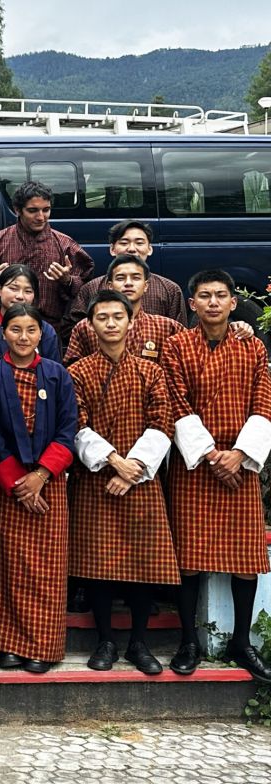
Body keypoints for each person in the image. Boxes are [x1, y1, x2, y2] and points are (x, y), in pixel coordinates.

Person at [163, 270, 271, 682]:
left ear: (232, 303)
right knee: (189, 559)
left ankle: (241, 643)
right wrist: (210, 454)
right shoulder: (176, 347)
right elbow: (176, 401)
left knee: (245, 560)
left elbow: (264, 401)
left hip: (241, 462)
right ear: (191, 303)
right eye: (204, 295)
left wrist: (240, 454)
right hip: (196, 464)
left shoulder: (252, 348)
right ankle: (189, 640)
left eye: (220, 296)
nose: (212, 302)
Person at [68, 291, 180, 675]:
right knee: (98, 564)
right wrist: (114, 461)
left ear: (131, 322)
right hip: (96, 477)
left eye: (118, 316)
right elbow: (75, 424)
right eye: (103, 317)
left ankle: (139, 643)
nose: (111, 323)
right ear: (91, 324)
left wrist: (134, 466)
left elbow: (162, 421)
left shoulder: (152, 371)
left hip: (142, 478)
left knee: (143, 562)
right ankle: (104, 641)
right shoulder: (78, 372)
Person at [0, 303, 77, 674]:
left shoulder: (56, 375)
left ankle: (42, 645)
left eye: (31, 330)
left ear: (42, 335)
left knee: (46, 569)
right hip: (5, 484)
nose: (23, 337)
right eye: (15, 330)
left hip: (48, 484)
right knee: (6, 566)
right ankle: (7, 644)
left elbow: (68, 431)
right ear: (4, 333)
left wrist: (40, 476)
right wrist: (15, 481)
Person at [0, 181, 94, 342]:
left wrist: (68, 281)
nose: (40, 217)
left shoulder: (64, 244)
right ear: (18, 210)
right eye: (33, 211)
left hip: (50, 329)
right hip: (5, 327)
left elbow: (87, 289)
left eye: (46, 210)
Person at [64, 254, 184, 366]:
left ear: (146, 286)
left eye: (136, 278)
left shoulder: (168, 328)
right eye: (121, 278)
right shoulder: (85, 327)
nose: (128, 283)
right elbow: (72, 375)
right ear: (110, 286)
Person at [68, 220, 188, 326]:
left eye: (139, 243)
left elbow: (180, 335)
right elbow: (75, 330)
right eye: (124, 243)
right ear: (112, 249)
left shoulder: (170, 289)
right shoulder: (91, 288)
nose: (131, 249)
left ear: (150, 249)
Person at [0, 264, 62, 366]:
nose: (20, 296)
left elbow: (54, 372)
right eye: (13, 288)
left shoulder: (46, 330)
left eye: (28, 291)